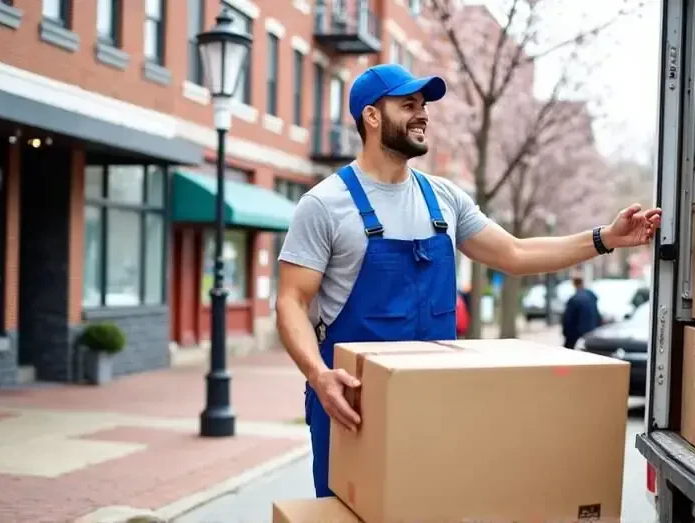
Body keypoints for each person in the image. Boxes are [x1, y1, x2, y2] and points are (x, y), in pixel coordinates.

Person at [274, 63, 662, 497]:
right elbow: (290, 302)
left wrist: (605, 238)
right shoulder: (325, 205)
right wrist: (319, 375)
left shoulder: (444, 199)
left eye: (424, 105)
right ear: (372, 116)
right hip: (351, 408)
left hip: (437, 408)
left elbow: (515, 254)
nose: (422, 114)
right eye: (408, 105)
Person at [561, 274, 602, 349]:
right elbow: (597, 315)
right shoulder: (591, 296)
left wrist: (566, 334)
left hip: (577, 334)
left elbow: (568, 319)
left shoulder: (574, 299)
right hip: (591, 332)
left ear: (574, 284)